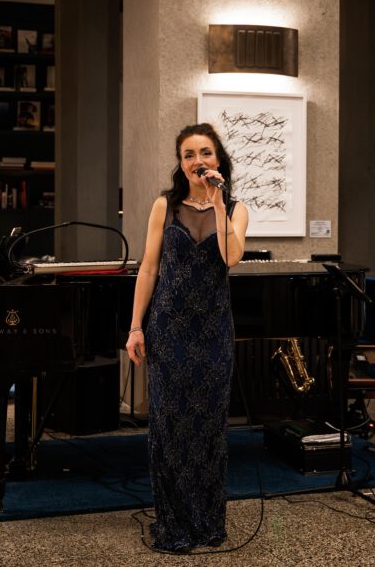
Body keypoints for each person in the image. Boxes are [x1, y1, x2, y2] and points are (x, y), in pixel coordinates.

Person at [125, 123, 249, 553]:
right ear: (180, 164)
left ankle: (208, 522)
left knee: (209, 427)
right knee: (169, 427)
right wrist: (135, 326)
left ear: (218, 159)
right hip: (169, 330)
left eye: (205, 153)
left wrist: (218, 204)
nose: (198, 161)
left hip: (214, 332)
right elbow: (149, 268)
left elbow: (230, 257)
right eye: (189, 155)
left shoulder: (236, 209)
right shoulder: (165, 205)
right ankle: (173, 524)